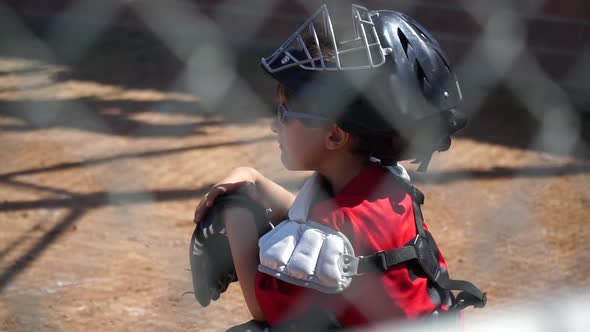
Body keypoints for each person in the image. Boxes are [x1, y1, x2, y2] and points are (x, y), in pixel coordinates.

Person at [192, 4, 485, 331]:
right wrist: (255, 182)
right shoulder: (380, 185)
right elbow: (316, 222)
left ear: (334, 135)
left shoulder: (342, 225)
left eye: (285, 115)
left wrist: (238, 213)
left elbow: (264, 312)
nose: (275, 127)